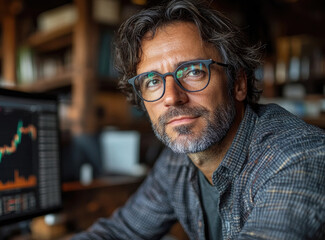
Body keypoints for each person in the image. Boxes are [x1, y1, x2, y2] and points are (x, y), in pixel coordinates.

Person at [72, 0, 325, 239]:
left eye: (193, 71)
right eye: (152, 81)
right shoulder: (177, 162)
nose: (171, 97)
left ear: (238, 83)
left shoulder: (295, 158)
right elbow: (121, 232)